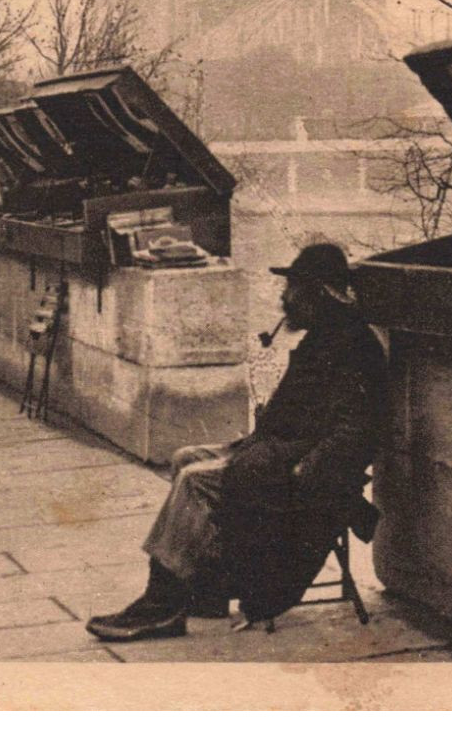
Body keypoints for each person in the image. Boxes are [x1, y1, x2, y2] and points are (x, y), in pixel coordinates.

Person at [85, 244, 386, 643]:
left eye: (293, 286)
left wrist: (303, 469)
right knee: (185, 457)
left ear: (318, 292)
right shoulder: (324, 336)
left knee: (196, 480)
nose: (285, 296)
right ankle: (203, 593)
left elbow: (355, 429)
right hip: (274, 450)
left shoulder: (352, 344)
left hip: (297, 466)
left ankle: (161, 607)